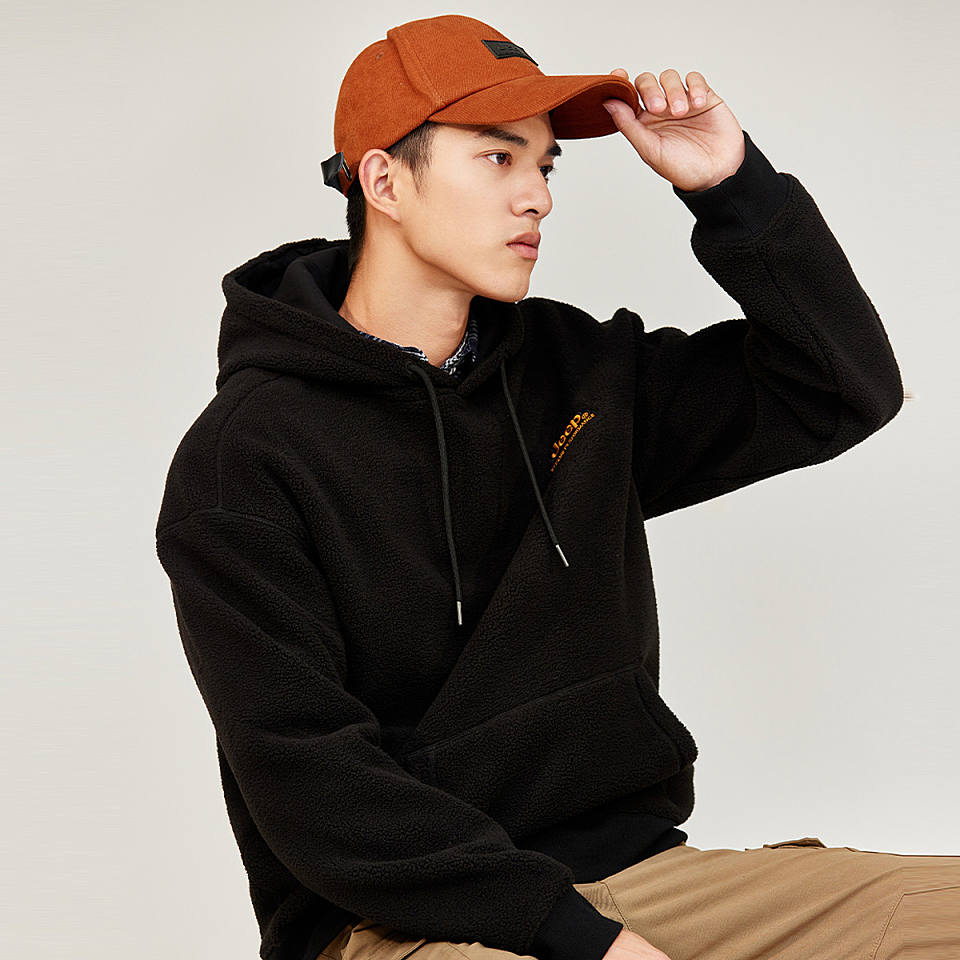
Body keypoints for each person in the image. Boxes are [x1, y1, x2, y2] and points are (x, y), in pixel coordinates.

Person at [154, 14, 956, 960]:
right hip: (401, 921)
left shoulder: (579, 372)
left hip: (638, 879)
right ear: (384, 181)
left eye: (545, 166)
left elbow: (841, 388)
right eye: (498, 159)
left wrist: (731, 188)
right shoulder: (243, 460)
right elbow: (313, 783)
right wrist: (583, 943)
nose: (537, 196)